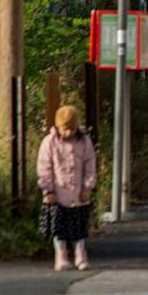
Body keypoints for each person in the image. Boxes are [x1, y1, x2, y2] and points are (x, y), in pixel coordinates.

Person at [37, 105, 97, 272]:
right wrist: (48, 190)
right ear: (58, 126)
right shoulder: (49, 142)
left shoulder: (84, 141)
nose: (68, 133)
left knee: (79, 227)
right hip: (58, 192)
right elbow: (44, 167)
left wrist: (88, 186)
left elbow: (90, 164)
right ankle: (61, 255)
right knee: (59, 228)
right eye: (65, 129)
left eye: (72, 129)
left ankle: (80, 254)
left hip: (78, 193)